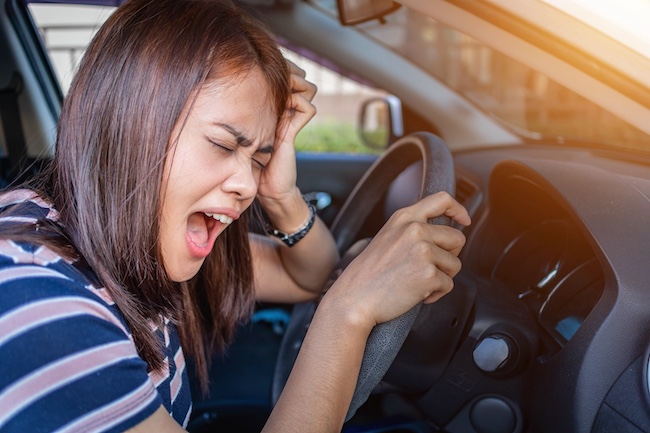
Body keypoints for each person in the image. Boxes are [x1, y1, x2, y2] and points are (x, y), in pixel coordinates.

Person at [0, 0, 470, 431]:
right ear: (129, 124)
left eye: (258, 159)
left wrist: (280, 194)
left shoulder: (121, 236)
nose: (246, 185)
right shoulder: (35, 300)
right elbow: (326, 289)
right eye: (225, 144)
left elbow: (308, 277)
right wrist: (349, 313)